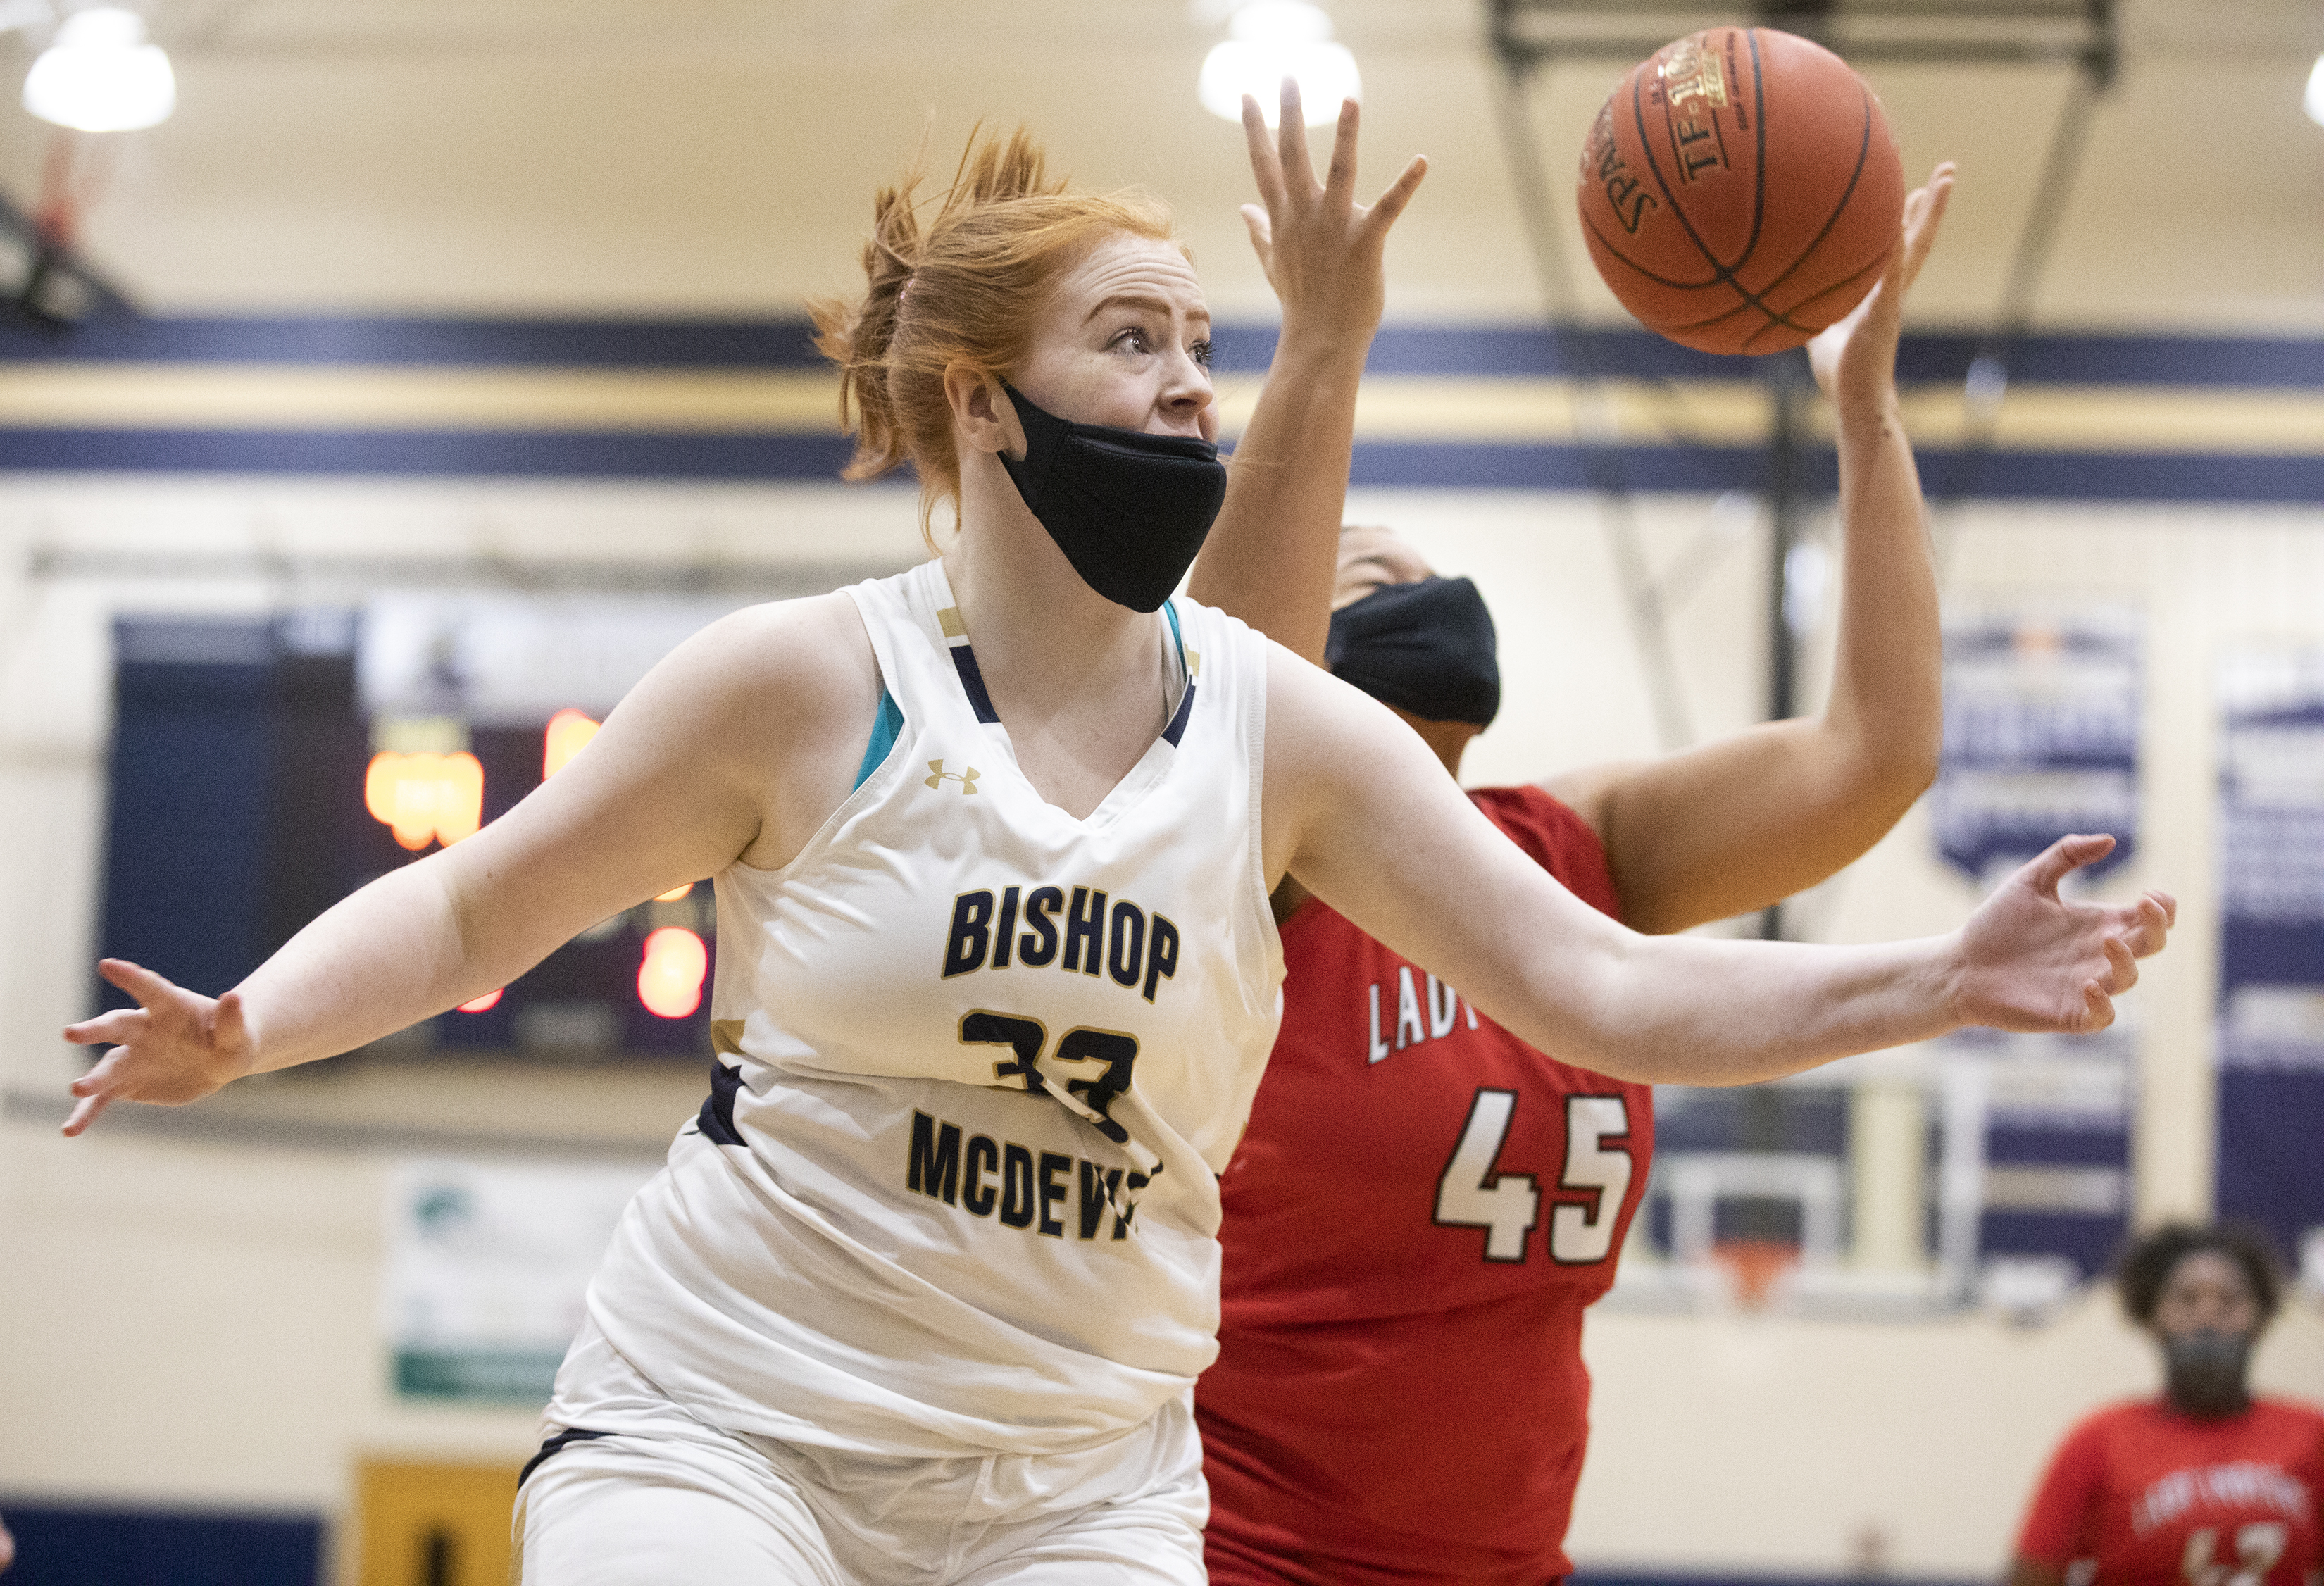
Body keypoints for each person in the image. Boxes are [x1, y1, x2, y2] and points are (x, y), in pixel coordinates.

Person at [63, 96, 2168, 1586]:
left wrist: (1936, 977)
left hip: (1079, 1493)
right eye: (1135, 343)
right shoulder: (802, 679)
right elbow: (463, 908)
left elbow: (1601, 983)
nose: (1188, 390)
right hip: (732, 1423)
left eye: (1204, 348)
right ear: (983, 401)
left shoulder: (1291, 740)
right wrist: (249, 1025)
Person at [1187, 108, 1973, 1582]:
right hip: (1237, 1558)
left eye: (1432, 569)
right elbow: (1229, 685)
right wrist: (1325, 345)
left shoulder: (1573, 847)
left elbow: (1875, 754)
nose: (1425, 591)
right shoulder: (1242, 873)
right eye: (1372, 574)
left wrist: (1863, 409)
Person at [2009, 1225, 2324, 1586]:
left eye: (2230, 1299)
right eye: (2187, 1299)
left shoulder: (2314, 1435)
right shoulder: (2098, 1439)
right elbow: (2032, 1575)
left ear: (2262, 1319)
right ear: (2150, 1317)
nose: (2208, 1316)